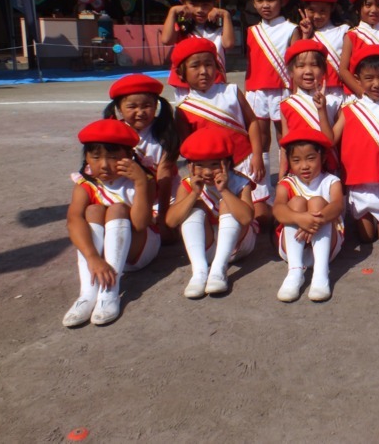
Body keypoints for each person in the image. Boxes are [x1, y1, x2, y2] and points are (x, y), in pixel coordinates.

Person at [63, 119, 152, 326]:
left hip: (138, 250)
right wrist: (93, 257)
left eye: (113, 157)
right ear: (86, 157)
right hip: (100, 258)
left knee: (117, 208)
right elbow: (73, 221)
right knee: (92, 210)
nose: (104, 164)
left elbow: (141, 225)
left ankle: (109, 292)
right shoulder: (85, 184)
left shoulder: (142, 179)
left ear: (129, 156)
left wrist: (140, 183)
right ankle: (87, 293)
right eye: (96, 157)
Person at [172, 38, 269, 219]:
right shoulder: (183, 108)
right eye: (195, 66)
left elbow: (253, 122)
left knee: (260, 215)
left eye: (209, 64)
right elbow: (187, 149)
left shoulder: (231, 91)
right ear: (181, 73)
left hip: (245, 161)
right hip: (214, 170)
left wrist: (257, 155)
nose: (203, 71)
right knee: (220, 212)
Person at [165, 128, 256, 298]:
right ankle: (199, 272)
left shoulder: (240, 181)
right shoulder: (188, 184)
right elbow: (171, 221)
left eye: (214, 165)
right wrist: (194, 194)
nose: (207, 172)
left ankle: (219, 270)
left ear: (227, 164)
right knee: (194, 207)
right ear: (190, 166)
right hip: (205, 250)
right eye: (200, 165)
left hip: (237, 247)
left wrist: (225, 191)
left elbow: (246, 218)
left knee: (226, 204)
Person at [334, 46, 379, 244]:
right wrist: (322, 110)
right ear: (358, 80)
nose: (376, 83)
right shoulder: (348, 109)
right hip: (358, 184)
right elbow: (331, 140)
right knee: (366, 238)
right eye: (369, 78)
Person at [104, 73, 178, 253]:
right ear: (119, 108)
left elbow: (165, 176)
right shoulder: (112, 132)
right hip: (128, 194)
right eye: (132, 106)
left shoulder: (165, 133)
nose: (140, 112)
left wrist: (163, 217)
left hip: (161, 197)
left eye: (147, 106)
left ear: (156, 105)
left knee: (172, 228)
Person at [273, 128, 345, 303]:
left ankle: (321, 273)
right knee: (296, 202)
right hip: (293, 250)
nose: (304, 166)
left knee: (317, 202)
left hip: (326, 249)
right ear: (289, 161)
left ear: (323, 157)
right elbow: (277, 209)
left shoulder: (331, 181)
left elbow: (337, 206)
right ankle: (295, 272)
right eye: (296, 160)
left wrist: (314, 222)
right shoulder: (286, 183)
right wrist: (300, 219)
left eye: (311, 158)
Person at [244, 0, 298, 193]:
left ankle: (287, 179)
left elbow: (297, 62)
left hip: (282, 89)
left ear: (282, 0)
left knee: (285, 136)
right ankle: (262, 188)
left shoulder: (291, 29)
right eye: (260, 0)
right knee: (261, 137)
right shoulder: (252, 31)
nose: (265, 5)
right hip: (257, 90)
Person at [161, 0, 235, 101]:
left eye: (205, 5)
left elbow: (228, 44)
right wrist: (172, 12)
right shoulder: (182, 30)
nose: (200, 10)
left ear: (214, 6)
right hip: (186, 86)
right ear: (184, 5)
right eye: (193, 5)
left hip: (214, 83)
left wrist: (226, 15)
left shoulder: (219, 31)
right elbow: (166, 40)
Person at [294, 0, 350, 108]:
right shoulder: (301, 33)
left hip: (339, 92)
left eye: (323, 11)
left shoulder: (344, 31)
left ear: (332, 8)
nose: (317, 16)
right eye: (311, 10)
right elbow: (299, 63)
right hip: (312, 92)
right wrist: (306, 35)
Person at [279, 39, 338, 146]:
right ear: (291, 72)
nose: (308, 71)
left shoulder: (335, 102)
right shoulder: (286, 105)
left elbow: (330, 142)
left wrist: (322, 110)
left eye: (314, 65)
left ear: (323, 70)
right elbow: (285, 145)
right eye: (301, 66)